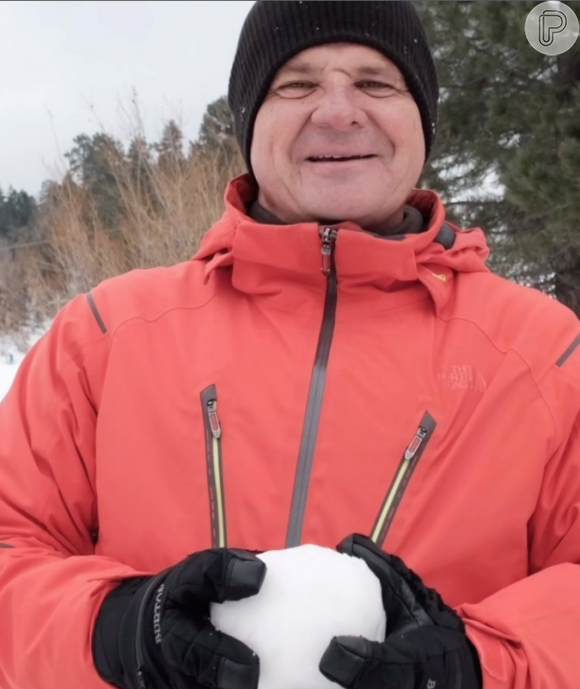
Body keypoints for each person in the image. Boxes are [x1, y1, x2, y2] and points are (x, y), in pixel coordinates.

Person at [0, 1, 579, 688]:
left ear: (421, 118)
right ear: (249, 121)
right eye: (297, 84)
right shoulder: (103, 337)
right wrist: (118, 628)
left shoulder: (548, 356)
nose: (338, 112)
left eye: (375, 82)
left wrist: (480, 660)